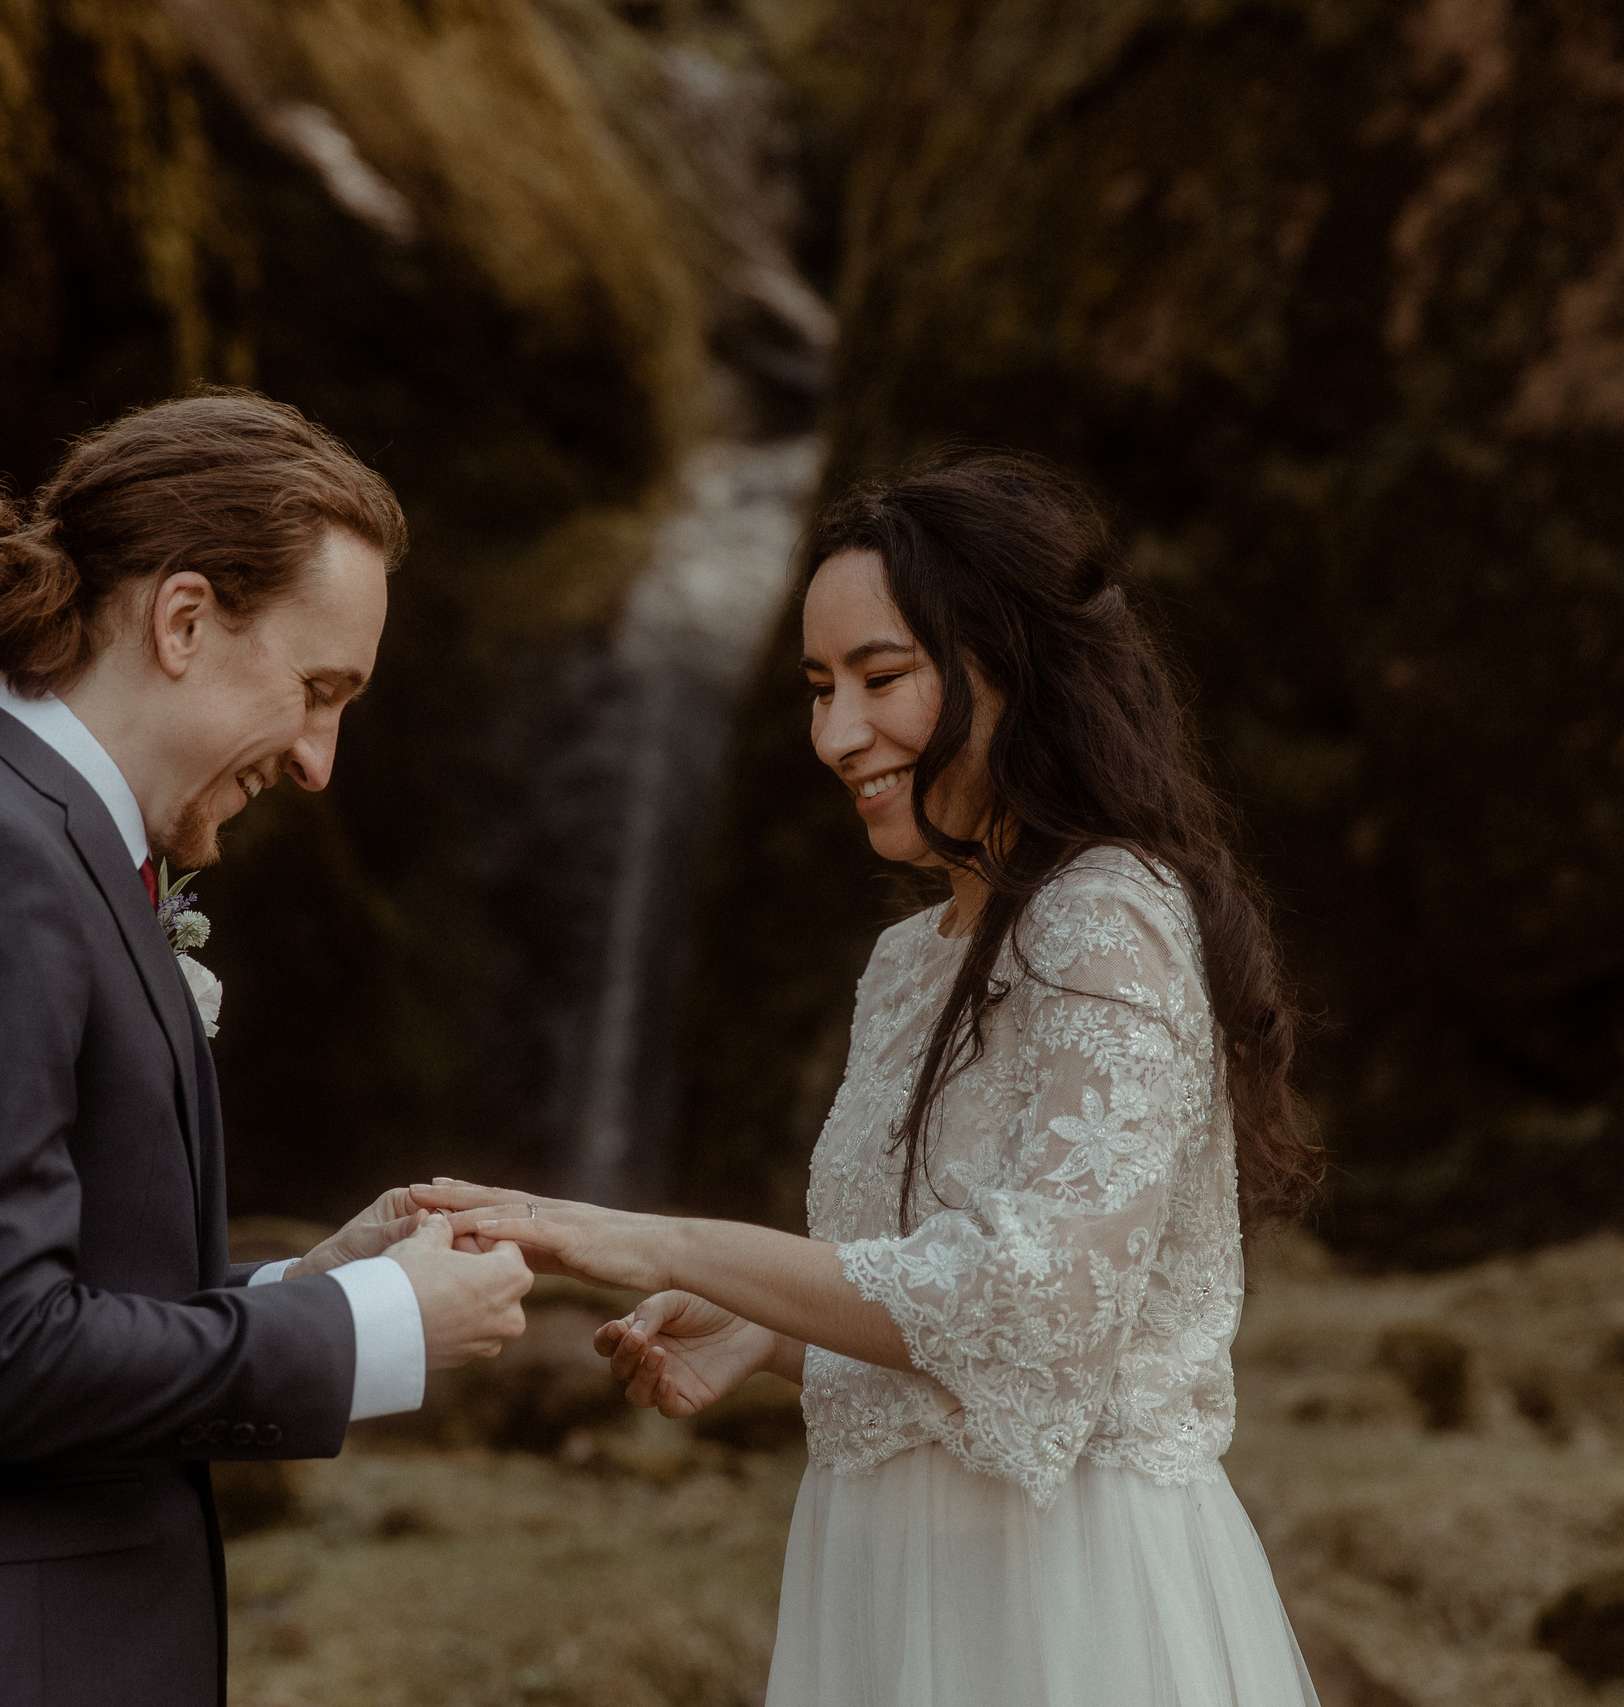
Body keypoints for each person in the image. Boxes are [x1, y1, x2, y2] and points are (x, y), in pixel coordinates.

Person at [418, 453, 1326, 1705]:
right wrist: (773, 1332)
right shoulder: (910, 961)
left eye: (880, 678)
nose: (834, 735)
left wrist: (665, 1244)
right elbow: (953, 1337)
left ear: (1015, 667)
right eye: (817, 688)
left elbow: (1044, 1317)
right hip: (891, 1579)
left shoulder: (1108, 912)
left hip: (1067, 1602)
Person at [0, 390, 533, 1707]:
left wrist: (302, 1282)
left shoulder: (38, 842)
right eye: (317, 692)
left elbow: (44, 1290)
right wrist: (374, 1326)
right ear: (184, 619)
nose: (320, 761)